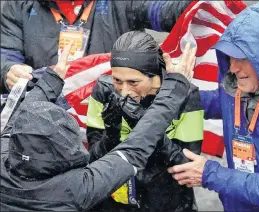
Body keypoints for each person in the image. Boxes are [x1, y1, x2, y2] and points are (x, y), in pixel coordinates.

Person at [0, 42, 196, 211]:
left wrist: (50, 82)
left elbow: (18, 119)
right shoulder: (78, 189)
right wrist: (176, 87)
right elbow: (138, 144)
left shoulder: (3, 157)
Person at [167, 1, 259, 211]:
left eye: (241, 58)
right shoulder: (240, 79)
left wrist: (210, 174)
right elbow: (222, 103)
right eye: (230, 56)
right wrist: (174, 92)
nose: (233, 67)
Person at [86, 31, 203, 211]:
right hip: (114, 200)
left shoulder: (185, 94)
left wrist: (143, 123)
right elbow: (93, 159)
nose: (124, 91)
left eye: (133, 82)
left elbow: (186, 167)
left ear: (154, 76)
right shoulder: (104, 89)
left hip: (166, 201)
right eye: (117, 80)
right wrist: (111, 134)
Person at [0, 0, 192, 93]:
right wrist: (9, 70)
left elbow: (167, 12)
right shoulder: (18, 6)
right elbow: (6, 54)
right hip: (47, 115)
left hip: (115, 108)